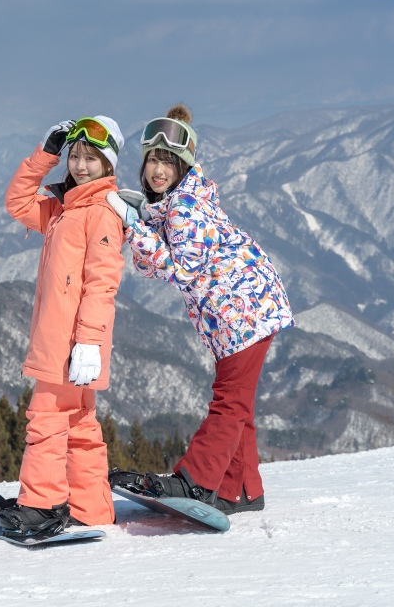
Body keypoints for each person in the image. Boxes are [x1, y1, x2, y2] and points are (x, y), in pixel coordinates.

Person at [105, 103, 294, 515]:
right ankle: (240, 490)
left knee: (230, 400)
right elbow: (153, 264)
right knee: (237, 402)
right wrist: (145, 222)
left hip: (244, 311)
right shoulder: (175, 203)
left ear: (182, 166)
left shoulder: (184, 207)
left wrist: (136, 226)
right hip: (241, 311)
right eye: (152, 160)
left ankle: (197, 481)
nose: (157, 170)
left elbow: (181, 270)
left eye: (167, 162)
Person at [0, 116, 126, 535]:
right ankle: (91, 508)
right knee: (78, 423)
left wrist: (88, 342)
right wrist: (45, 154)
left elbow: (102, 284)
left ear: (108, 164)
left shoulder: (101, 213)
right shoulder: (62, 208)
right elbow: (17, 202)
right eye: (75, 156)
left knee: (46, 417)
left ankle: (42, 504)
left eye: (91, 158)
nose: (81, 166)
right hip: (66, 342)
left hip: (71, 344)